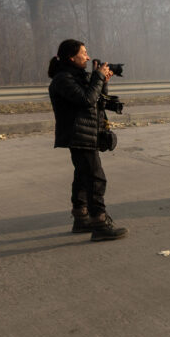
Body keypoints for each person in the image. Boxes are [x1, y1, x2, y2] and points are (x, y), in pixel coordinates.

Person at [47, 39, 128, 242]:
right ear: (71, 57)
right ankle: (99, 224)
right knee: (95, 178)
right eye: (84, 53)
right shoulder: (62, 79)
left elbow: (97, 100)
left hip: (87, 132)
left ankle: (81, 218)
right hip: (78, 134)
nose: (88, 57)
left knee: (83, 176)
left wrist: (103, 82)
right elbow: (85, 100)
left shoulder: (76, 76)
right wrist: (98, 76)